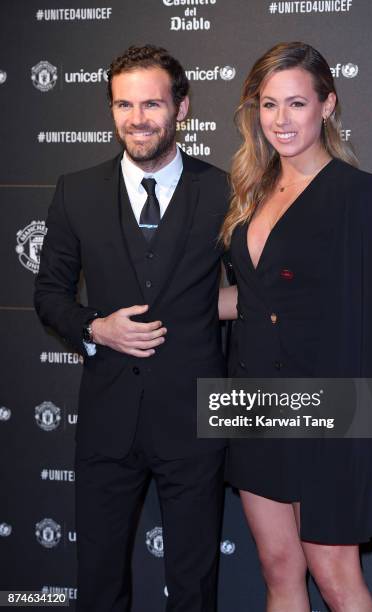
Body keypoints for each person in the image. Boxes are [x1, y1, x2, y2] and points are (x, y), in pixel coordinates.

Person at [35, 44, 229, 612]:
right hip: (106, 422)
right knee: (98, 583)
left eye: (151, 103)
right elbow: (48, 294)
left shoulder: (224, 190)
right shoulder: (77, 190)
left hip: (195, 420)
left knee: (194, 588)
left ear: (182, 107)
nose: (137, 119)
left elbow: (251, 293)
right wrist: (96, 328)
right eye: (124, 104)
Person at [219, 42, 372, 611]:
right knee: (278, 569)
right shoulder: (251, 190)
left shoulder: (356, 191)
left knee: (334, 574)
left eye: (296, 103)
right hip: (249, 399)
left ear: (327, 105)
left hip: (324, 405)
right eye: (269, 105)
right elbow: (251, 301)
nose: (280, 120)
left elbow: (359, 318)